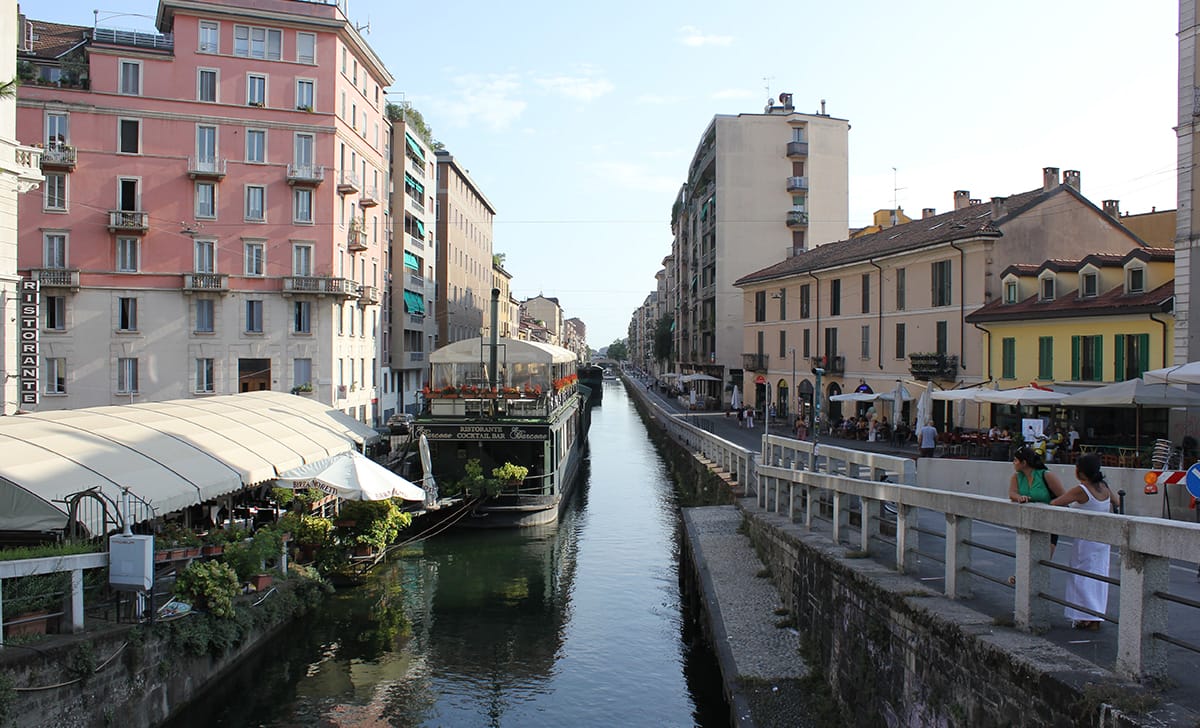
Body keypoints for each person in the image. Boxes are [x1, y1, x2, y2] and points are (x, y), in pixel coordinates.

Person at [1051, 453, 1118, 630]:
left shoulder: (1081, 489)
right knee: (1098, 578)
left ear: (1080, 471)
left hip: (1085, 540)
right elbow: (1117, 501)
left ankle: (1084, 616)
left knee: (1081, 577)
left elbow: (1056, 503)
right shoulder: (1104, 487)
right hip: (1102, 540)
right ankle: (1096, 616)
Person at [1008, 445, 1066, 560]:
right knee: (1026, 558)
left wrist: (1051, 505)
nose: (1013, 463)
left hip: (1049, 521)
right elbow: (1012, 493)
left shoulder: (1046, 475)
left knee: (1043, 559)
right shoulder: (1017, 477)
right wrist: (1019, 497)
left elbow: (1063, 496)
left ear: (1024, 463)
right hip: (1029, 521)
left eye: (1015, 460)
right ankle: (1017, 577)